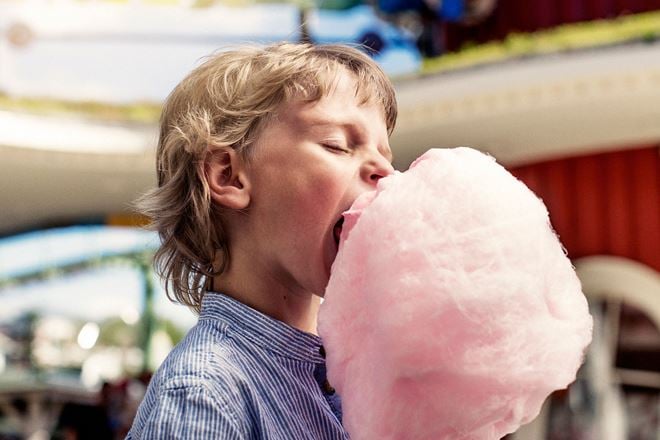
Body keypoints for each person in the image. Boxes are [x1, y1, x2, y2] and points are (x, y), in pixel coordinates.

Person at [126, 42, 396, 438]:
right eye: (338, 145)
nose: (385, 170)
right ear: (229, 176)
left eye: (386, 153)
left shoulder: (354, 375)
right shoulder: (205, 396)